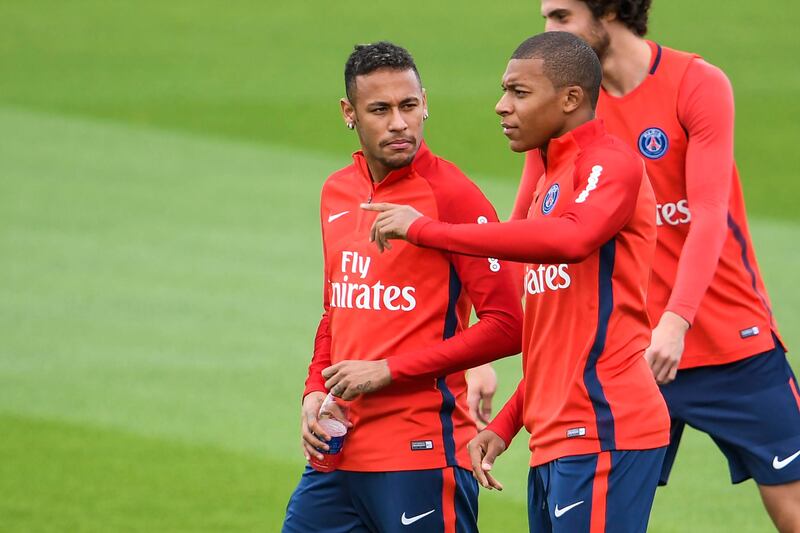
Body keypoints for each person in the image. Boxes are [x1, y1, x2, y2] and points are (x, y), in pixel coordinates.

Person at [365, 32, 670, 533]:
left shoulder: (610, 162)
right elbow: (557, 344)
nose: (501, 106)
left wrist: (425, 229)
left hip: (607, 427)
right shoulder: (549, 182)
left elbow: (574, 238)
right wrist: (507, 424)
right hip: (556, 439)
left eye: (519, 93)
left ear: (571, 98)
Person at [517, 1, 800, 530]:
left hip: (727, 340)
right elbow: (525, 233)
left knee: (793, 504)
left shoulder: (698, 83)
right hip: (624, 359)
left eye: (560, 17)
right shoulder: (565, 105)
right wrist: (489, 349)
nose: (548, 33)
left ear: (607, 11)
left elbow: (709, 213)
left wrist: (677, 318)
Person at [281, 41, 523, 533]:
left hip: (420, 457)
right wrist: (312, 390)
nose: (399, 123)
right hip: (336, 454)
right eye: (380, 109)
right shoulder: (336, 192)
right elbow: (337, 310)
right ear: (349, 113)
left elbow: (509, 326)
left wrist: (388, 371)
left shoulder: (452, 196)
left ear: (425, 103)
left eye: (409, 106)